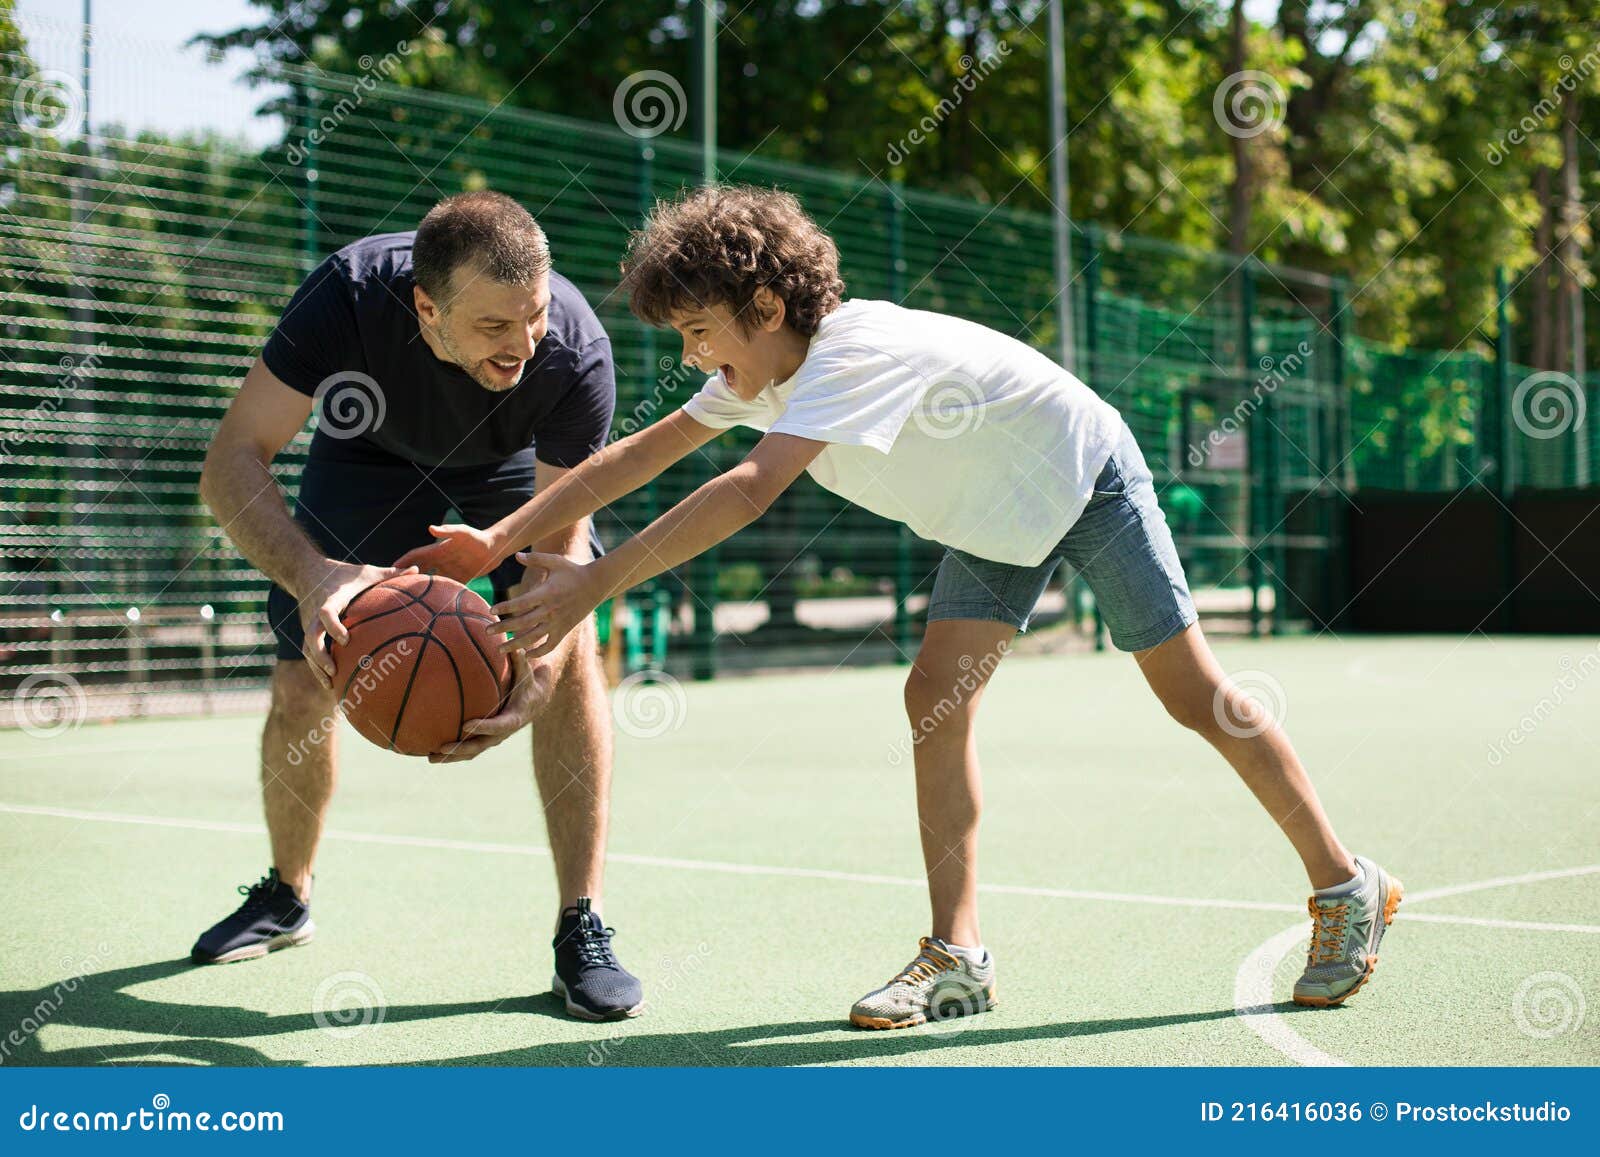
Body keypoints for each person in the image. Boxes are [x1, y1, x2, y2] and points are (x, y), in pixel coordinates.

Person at [402, 185, 1401, 1030]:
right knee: (935, 697)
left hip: (1081, 473)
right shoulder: (759, 368)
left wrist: (590, 582)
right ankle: (957, 952)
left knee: (1192, 693)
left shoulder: (843, 353)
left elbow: (749, 488)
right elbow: (639, 454)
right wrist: (498, 539)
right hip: (992, 516)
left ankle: (1340, 877)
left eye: (701, 331)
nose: (699, 357)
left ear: (760, 302)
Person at [195, 191, 643, 1022]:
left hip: (508, 475)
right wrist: (310, 574)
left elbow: (564, 553)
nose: (522, 345)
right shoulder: (347, 295)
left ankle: (582, 921)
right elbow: (231, 461)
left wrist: (538, 663)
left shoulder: (573, 351)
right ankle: (288, 893)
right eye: (493, 328)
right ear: (425, 307)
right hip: (365, 455)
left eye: (533, 316)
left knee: (569, 654)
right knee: (301, 682)